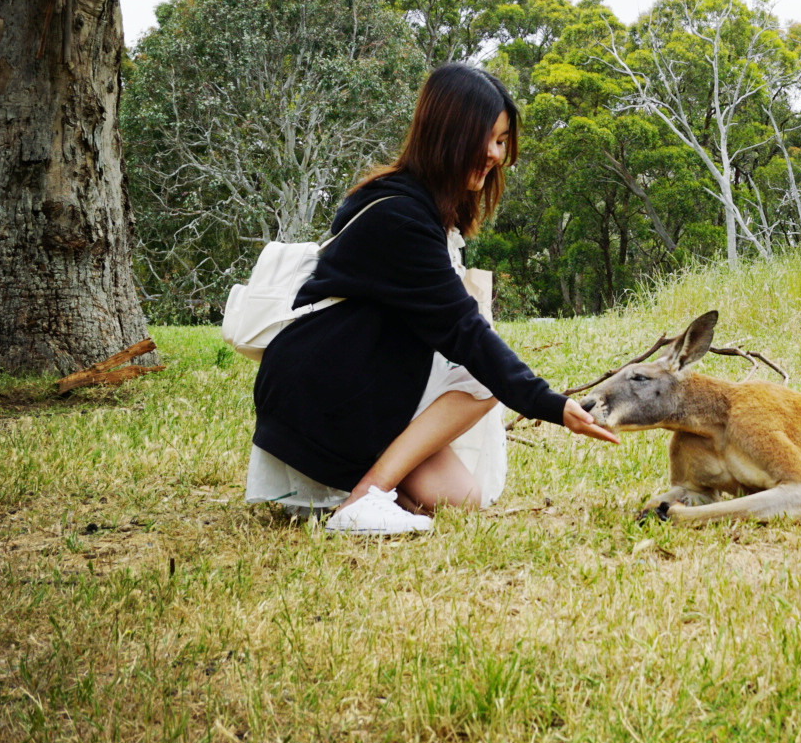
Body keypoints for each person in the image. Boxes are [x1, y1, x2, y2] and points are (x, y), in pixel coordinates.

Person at [245, 62, 616, 534]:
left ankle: (370, 485)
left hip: (359, 381)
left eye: (502, 141)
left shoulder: (421, 206)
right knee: (484, 376)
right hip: (324, 389)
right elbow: (464, 333)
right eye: (485, 138)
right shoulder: (400, 215)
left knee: (462, 500)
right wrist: (549, 404)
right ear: (447, 134)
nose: (494, 153)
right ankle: (366, 496)